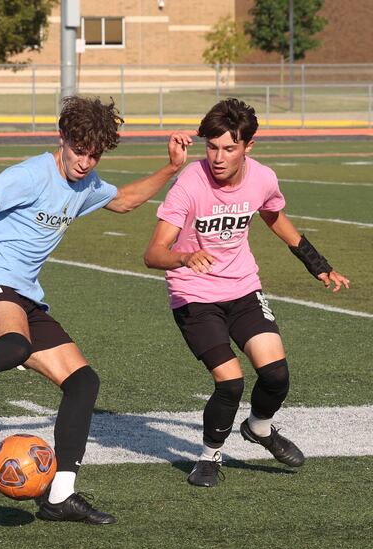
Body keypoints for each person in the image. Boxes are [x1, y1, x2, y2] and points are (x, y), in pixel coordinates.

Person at [0, 96, 192, 524]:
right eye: (79, 151)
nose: (85, 162)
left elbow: (123, 201)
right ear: (62, 138)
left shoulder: (86, 182)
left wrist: (172, 168)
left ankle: (60, 495)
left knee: (83, 381)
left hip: (25, 291)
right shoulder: (33, 174)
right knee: (13, 345)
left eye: (94, 155)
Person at [143, 98, 350, 488]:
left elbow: (275, 217)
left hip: (242, 288)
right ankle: (209, 457)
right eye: (212, 147)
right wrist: (185, 258)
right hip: (194, 296)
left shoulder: (263, 178)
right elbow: (153, 254)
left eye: (229, 148)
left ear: (247, 147)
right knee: (231, 382)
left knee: (276, 375)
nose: (218, 158)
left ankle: (259, 427)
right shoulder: (188, 183)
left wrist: (317, 264)